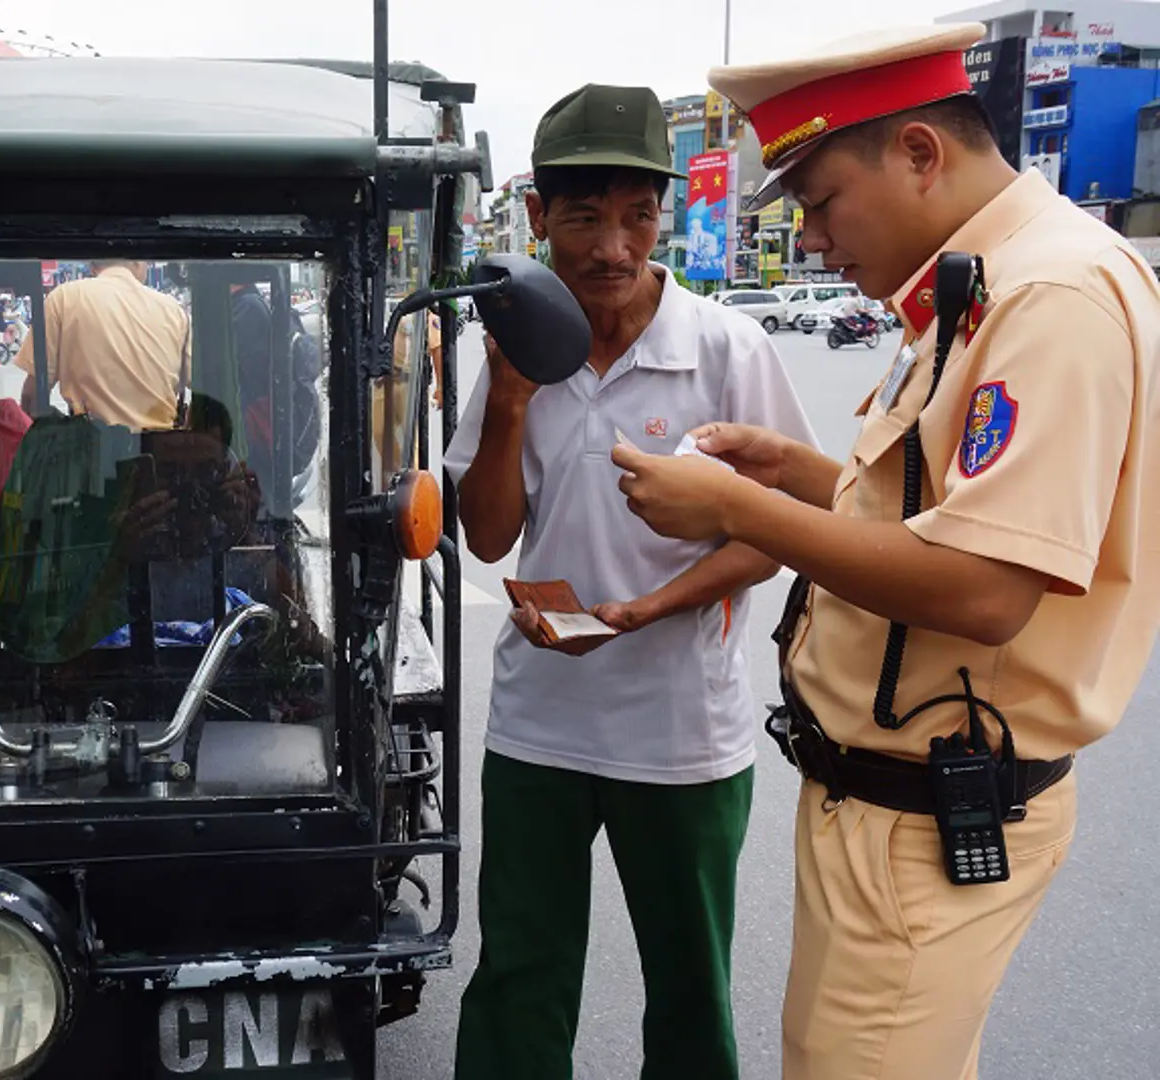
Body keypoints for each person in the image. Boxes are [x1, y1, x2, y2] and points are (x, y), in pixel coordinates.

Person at [610, 23, 1160, 1080]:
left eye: (819, 201)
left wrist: (738, 511)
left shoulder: (1045, 294)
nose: (812, 239)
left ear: (918, 151)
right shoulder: (986, 278)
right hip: (889, 804)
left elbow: (986, 587)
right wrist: (791, 471)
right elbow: (936, 514)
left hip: (928, 813)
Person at [445, 85, 818, 1080]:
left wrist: (650, 608)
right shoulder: (515, 351)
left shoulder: (723, 347)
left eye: (638, 216)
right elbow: (487, 540)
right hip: (539, 726)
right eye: (583, 217)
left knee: (691, 985)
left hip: (680, 734)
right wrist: (511, 406)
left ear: (665, 214)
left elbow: (786, 535)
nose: (612, 246)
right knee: (518, 973)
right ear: (535, 217)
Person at [14, 259, 190, 429]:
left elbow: (33, 398)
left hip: (91, 449)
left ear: (93, 267)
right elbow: (202, 386)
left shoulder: (63, 298)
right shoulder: (174, 310)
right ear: (138, 262)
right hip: (161, 447)